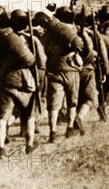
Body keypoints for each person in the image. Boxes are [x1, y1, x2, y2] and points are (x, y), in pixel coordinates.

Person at [34, 11, 84, 143]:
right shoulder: (61, 28)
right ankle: (69, 128)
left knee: (54, 103)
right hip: (69, 70)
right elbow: (79, 43)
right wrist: (71, 52)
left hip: (54, 70)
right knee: (71, 101)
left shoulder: (50, 31)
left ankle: (53, 132)